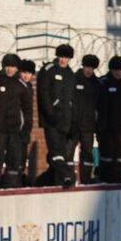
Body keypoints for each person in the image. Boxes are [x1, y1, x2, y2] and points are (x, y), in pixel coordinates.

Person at [0, 53, 33, 190]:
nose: (10, 70)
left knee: (14, 160)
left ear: (17, 68)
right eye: (7, 66)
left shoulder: (22, 86)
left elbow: (27, 110)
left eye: (13, 67)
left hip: (15, 130)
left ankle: (11, 186)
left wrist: (26, 130)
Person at [36, 43, 76, 186]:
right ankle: (68, 175)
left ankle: (51, 181)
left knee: (61, 154)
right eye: (61, 57)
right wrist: (50, 113)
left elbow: (72, 100)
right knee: (56, 151)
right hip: (51, 120)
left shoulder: (71, 74)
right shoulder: (49, 70)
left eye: (66, 57)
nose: (63, 60)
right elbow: (43, 94)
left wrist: (72, 122)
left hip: (65, 121)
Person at [96, 57, 121, 183]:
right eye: (116, 70)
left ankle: (119, 182)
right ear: (111, 69)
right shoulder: (102, 83)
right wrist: (99, 128)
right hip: (106, 130)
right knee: (106, 159)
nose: (118, 73)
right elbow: (96, 106)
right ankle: (105, 182)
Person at [69, 53, 101, 185]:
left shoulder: (96, 84)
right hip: (73, 124)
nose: (88, 70)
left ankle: (86, 179)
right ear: (83, 66)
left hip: (88, 126)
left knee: (87, 154)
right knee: (68, 152)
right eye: (87, 67)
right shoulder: (73, 79)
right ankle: (69, 178)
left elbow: (100, 106)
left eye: (91, 68)